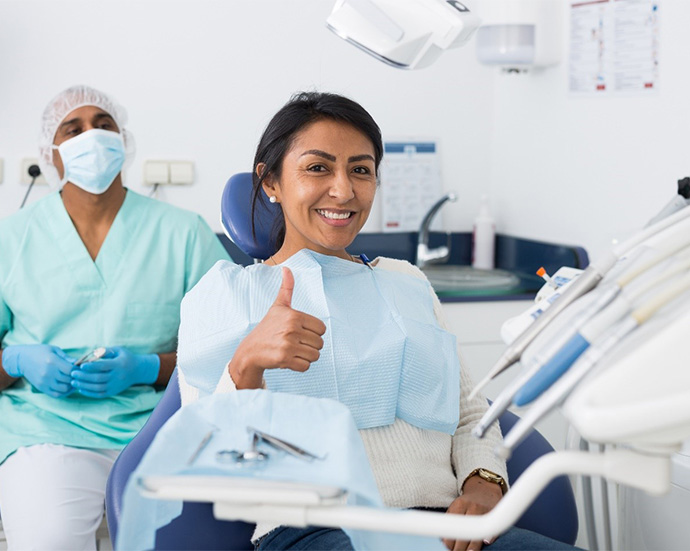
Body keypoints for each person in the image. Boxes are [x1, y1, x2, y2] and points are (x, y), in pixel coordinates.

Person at [176, 92, 579, 551]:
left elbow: (469, 409)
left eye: (361, 170)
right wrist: (245, 366)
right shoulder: (223, 295)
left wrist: (484, 483)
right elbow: (207, 461)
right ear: (270, 183)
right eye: (318, 167)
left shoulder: (405, 281)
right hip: (316, 530)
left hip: (446, 528)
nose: (344, 190)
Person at [0, 85, 231, 550]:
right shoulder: (12, 238)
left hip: (162, 425)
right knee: (49, 538)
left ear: (123, 139)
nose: (92, 136)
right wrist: (18, 362)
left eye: (104, 125)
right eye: (74, 128)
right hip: (49, 431)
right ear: (52, 153)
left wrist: (149, 368)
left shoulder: (184, 233)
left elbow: (230, 350)